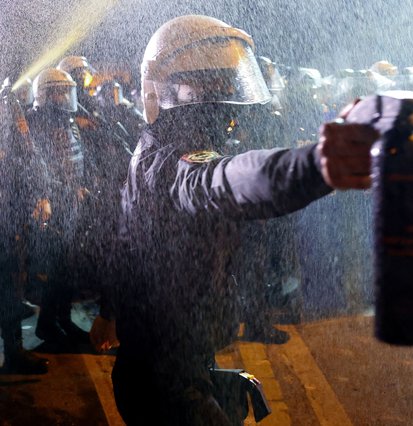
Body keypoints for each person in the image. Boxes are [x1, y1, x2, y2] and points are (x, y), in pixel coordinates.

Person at [99, 15, 377, 425]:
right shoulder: (172, 161)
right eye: (210, 86)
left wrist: (108, 312)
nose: (224, 98)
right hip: (164, 378)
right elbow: (226, 180)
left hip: (175, 361)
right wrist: (317, 165)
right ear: (165, 90)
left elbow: (125, 245)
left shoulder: (155, 146)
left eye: (227, 84)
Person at [26, 68, 90, 348]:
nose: (66, 97)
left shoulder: (67, 120)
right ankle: (48, 325)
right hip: (53, 204)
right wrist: (53, 193)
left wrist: (80, 185)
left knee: (67, 266)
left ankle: (61, 320)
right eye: (60, 91)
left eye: (68, 91)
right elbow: (36, 166)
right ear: (47, 94)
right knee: (56, 267)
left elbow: (74, 159)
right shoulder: (36, 124)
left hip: (70, 201)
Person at [0, 80, 50, 374]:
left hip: (8, 219)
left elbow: (29, 158)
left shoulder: (9, 109)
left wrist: (38, 194)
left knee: (9, 288)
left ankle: (15, 352)